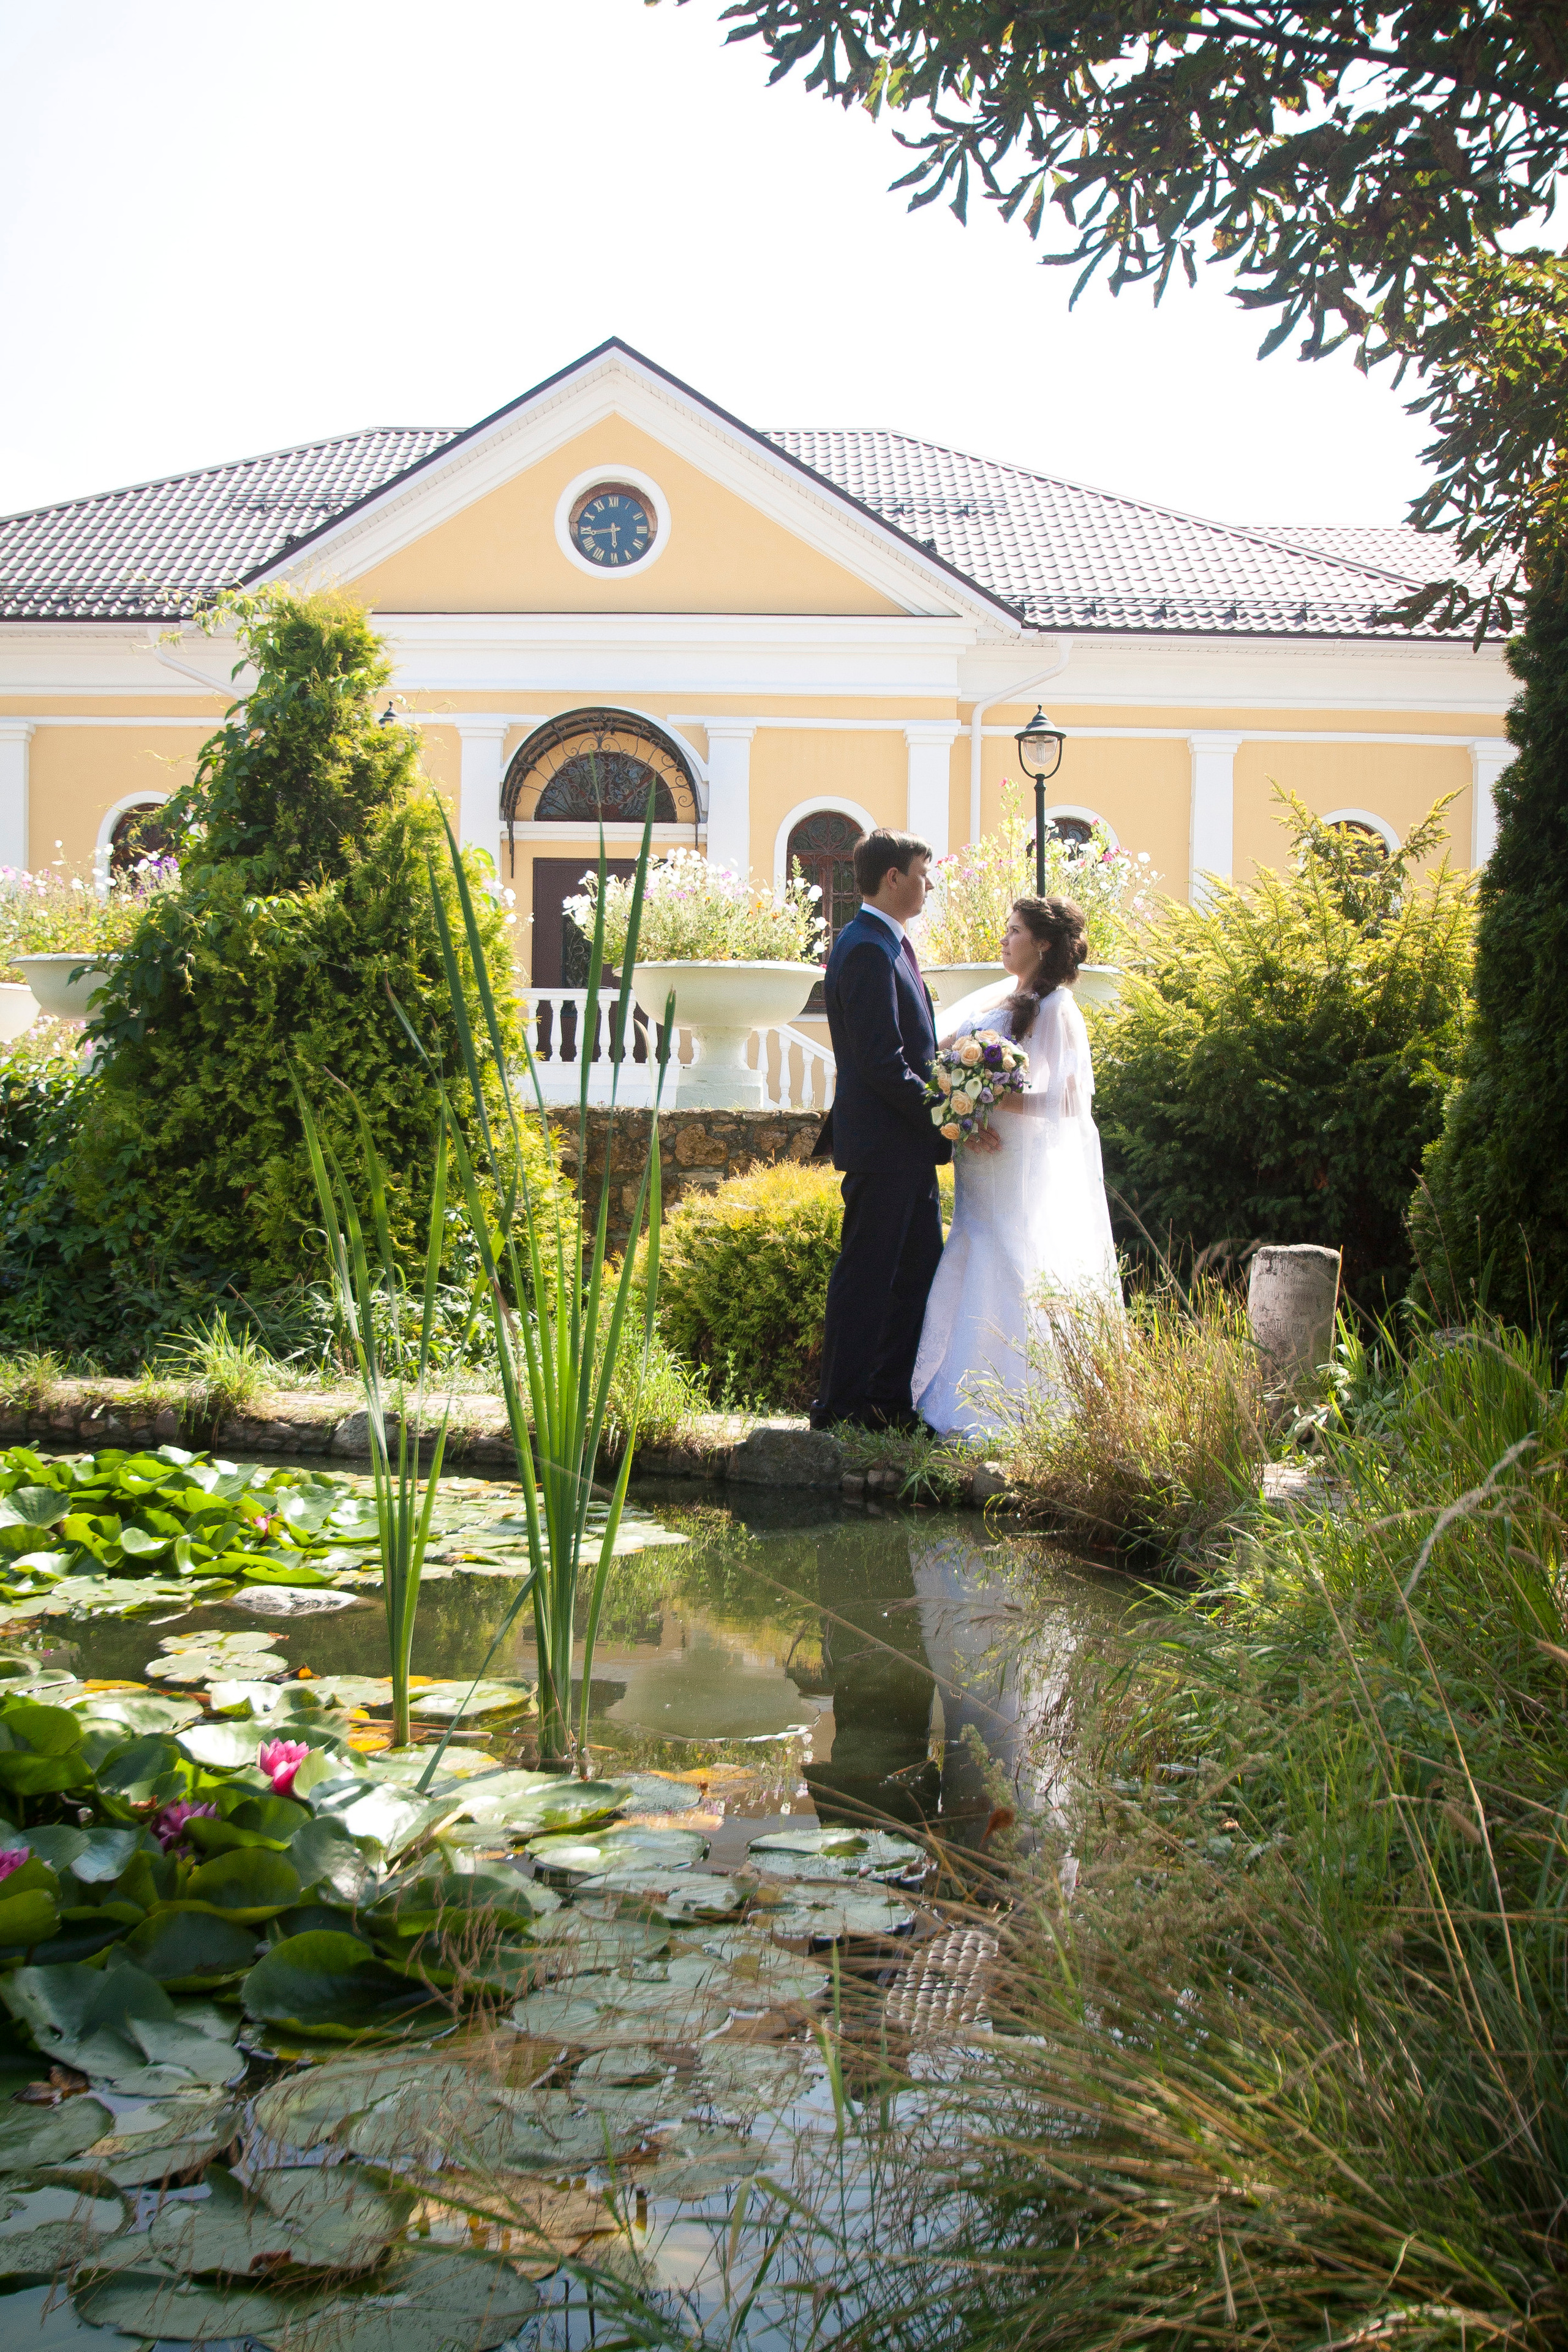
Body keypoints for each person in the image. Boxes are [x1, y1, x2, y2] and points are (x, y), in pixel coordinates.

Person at [912, 895, 1120, 1439]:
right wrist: (962, 1102)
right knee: (974, 1244)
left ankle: (1022, 1399)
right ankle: (958, 1388)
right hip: (979, 1154)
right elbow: (946, 1057)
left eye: (1014, 931)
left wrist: (987, 1101)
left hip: (1015, 1159)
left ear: (1044, 943)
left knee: (1011, 1253)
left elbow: (1068, 1104)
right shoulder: (1002, 997)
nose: (1004, 940)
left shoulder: (1057, 1009)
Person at [810, 828, 975, 1432]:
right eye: (923, 873)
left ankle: (886, 1401)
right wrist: (945, 1119)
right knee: (867, 1277)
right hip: (884, 1147)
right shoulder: (864, 949)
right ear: (893, 877)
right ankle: (839, 1407)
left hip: (905, 1147)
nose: (929, 883)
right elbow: (881, 1061)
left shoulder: (889, 944)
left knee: (911, 1279)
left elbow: (913, 1049)